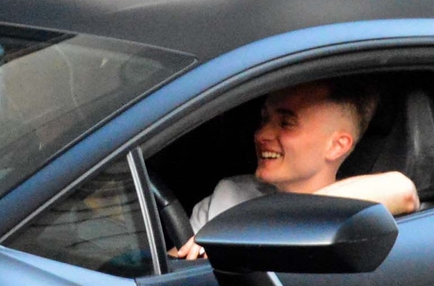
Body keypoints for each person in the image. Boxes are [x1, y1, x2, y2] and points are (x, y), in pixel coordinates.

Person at [169, 80, 420, 259]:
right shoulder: (228, 194)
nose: (261, 134)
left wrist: (240, 235)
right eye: (264, 118)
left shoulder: (356, 207)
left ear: (336, 145)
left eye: (286, 123)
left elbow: (404, 191)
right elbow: (165, 270)